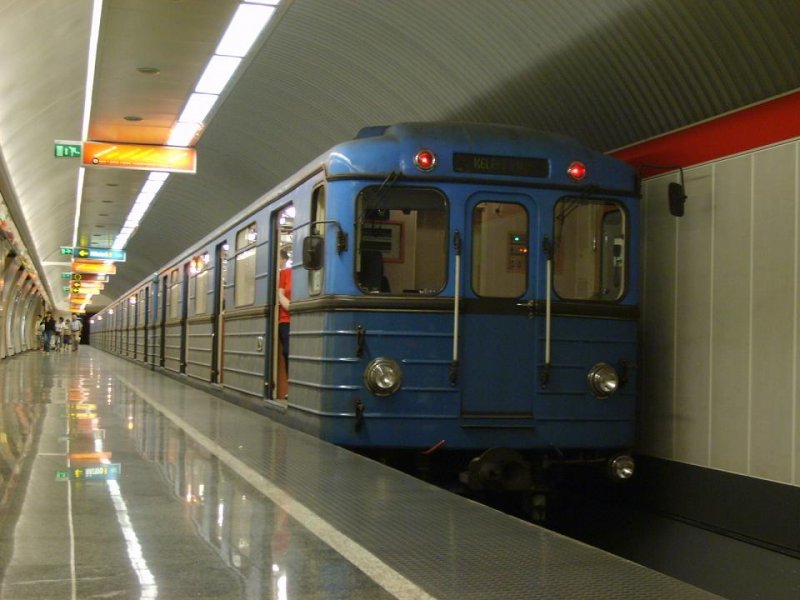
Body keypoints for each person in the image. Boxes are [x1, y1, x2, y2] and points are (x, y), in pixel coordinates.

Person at [277, 248, 292, 370]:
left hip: (299, 317)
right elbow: (280, 294)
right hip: (285, 319)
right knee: (287, 350)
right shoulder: (285, 273)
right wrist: (290, 306)